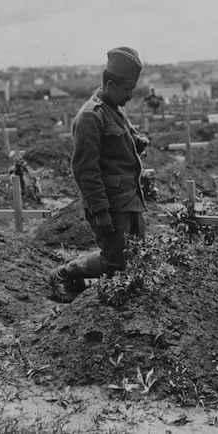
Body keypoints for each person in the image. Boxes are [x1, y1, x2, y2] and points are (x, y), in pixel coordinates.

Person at [48, 46, 149, 303]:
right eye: (127, 90)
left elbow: (115, 143)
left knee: (136, 257)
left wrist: (135, 141)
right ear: (111, 83)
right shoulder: (90, 117)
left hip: (130, 199)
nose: (129, 96)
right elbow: (85, 170)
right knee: (114, 261)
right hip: (112, 203)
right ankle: (63, 274)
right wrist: (100, 211)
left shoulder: (112, 107)